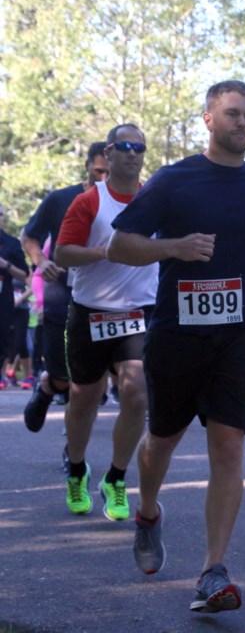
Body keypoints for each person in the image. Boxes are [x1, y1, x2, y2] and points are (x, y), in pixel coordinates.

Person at [107, 80, 245, 613]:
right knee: (161, 441)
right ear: (209, 119)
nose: (242, 123)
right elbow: (120, 244)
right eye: (232, 114)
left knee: (230, 447)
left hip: (241, 332)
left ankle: (213, 571)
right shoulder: (174, 180)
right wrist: (175, 247)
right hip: (177, 333)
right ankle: (147, 510)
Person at [55, 123, 156, 520]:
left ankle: (116, 478)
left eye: (140, 148)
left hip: (138, 312)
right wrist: (106, 252)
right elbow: (62, 254)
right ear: (109, 153)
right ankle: (77, 469)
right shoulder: (89, 202)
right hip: (90, 310)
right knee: (84, 397)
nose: (133, 153)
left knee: (136, 394)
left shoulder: (154, 199)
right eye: (125, 146)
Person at [22, 142, 108, 432]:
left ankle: (74, 452)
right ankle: (47, 387)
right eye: (99, 171)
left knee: (90, 380)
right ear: (87, 166)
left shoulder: (130, 200)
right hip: (62, 295)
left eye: (110, 172)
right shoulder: (61, 199)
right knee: (63, 377)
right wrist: (41, 261)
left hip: (108, 298)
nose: (104, 178)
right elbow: (30, 236)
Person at [0, 206, 30, 386]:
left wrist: (6, 265)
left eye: (0, 214)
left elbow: (25, 275)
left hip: (4, 298)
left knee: (3, 337)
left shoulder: (11, 243)